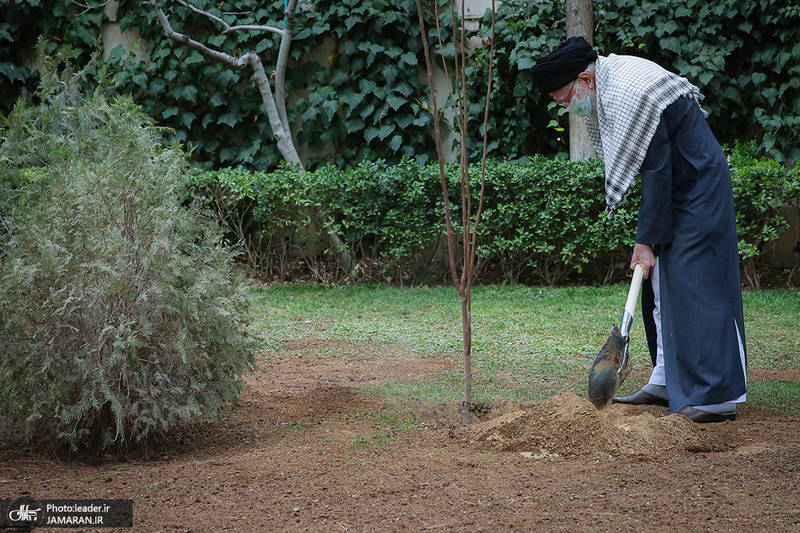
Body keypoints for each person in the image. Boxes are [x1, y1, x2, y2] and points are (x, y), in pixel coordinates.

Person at [530, 36, 747, 423]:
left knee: (697, 281)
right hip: (677, 183)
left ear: (585, 79)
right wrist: (648, 242)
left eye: (565, 99)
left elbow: (657, 168)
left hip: (697, 182)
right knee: (661, 282)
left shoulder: (629, 91)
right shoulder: (609, 82)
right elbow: (655, 168)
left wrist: (645, 241)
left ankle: (715, 396)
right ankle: (665, 378)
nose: (566, 107)